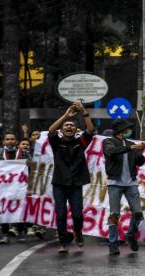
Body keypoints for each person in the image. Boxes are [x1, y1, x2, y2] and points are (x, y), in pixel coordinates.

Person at [48, 102, 94, 254]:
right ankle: (63, 242)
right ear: (62, 130)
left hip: (75, 184)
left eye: (72, 126)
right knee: (60, 214)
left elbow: (90, 130)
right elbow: (51, 130)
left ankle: (78, 233)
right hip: (59, 184)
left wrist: (84, 112)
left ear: (76, 130)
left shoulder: (80, 142)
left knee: (77, 214)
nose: (68, 127)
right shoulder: (57, 142)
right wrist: (66, 116)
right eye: (66, 126)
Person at [103, 119, 145, 255]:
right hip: (114, 183)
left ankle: (131, 234)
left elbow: (140, 163)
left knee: (138, 213)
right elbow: (112, 152)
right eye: (126, 129)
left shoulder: (131, 144)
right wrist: (133, 148)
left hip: (131, 183)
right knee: (114, 214)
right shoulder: (109, 142)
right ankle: (112, 243)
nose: (129, 131)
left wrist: (141, 153)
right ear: (120, 130)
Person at [0, 132, 31, 244]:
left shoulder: (24, 153)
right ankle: (5, 234)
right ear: (4, 141)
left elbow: (31, 167)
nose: (10, 141)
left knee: (20, 208)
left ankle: (20, 232)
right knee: (3, 209)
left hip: (19, 186)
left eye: (12, 139)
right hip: (3, 187)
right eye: (7, 139)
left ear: (16, 141)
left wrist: (28, 164)